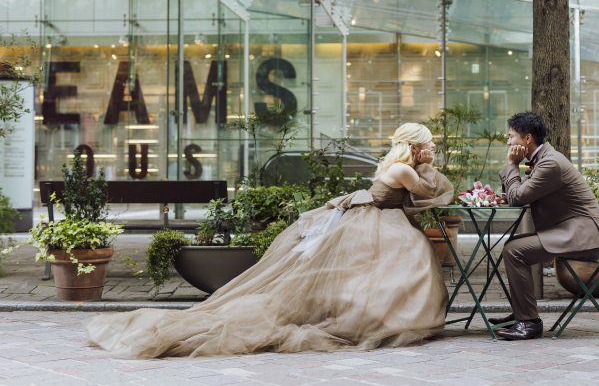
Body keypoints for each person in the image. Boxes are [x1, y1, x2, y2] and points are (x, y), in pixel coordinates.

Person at [85, 123, 454, 358]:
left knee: (373, 271)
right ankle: (378, 319)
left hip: (376, 218)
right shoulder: (405, 168)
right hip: (373, 220)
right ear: (415, 147)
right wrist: (434, 171)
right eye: (430, 145)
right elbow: (430, 195)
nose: (433, 149)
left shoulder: (402, 165)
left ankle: (376, 314)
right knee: (405, 259)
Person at [491, 112, 599, 341]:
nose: (508, 142)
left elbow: (516, 198)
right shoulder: (544, 159)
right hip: (574, 230)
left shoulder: (551, 163)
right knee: (513, 244)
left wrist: (512, 164)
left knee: (514, 251)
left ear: (527, 139)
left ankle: (529, 323)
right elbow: (514, 193)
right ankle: (522, 314)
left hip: (584, 236)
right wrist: (515, 172)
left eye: (510, 136)